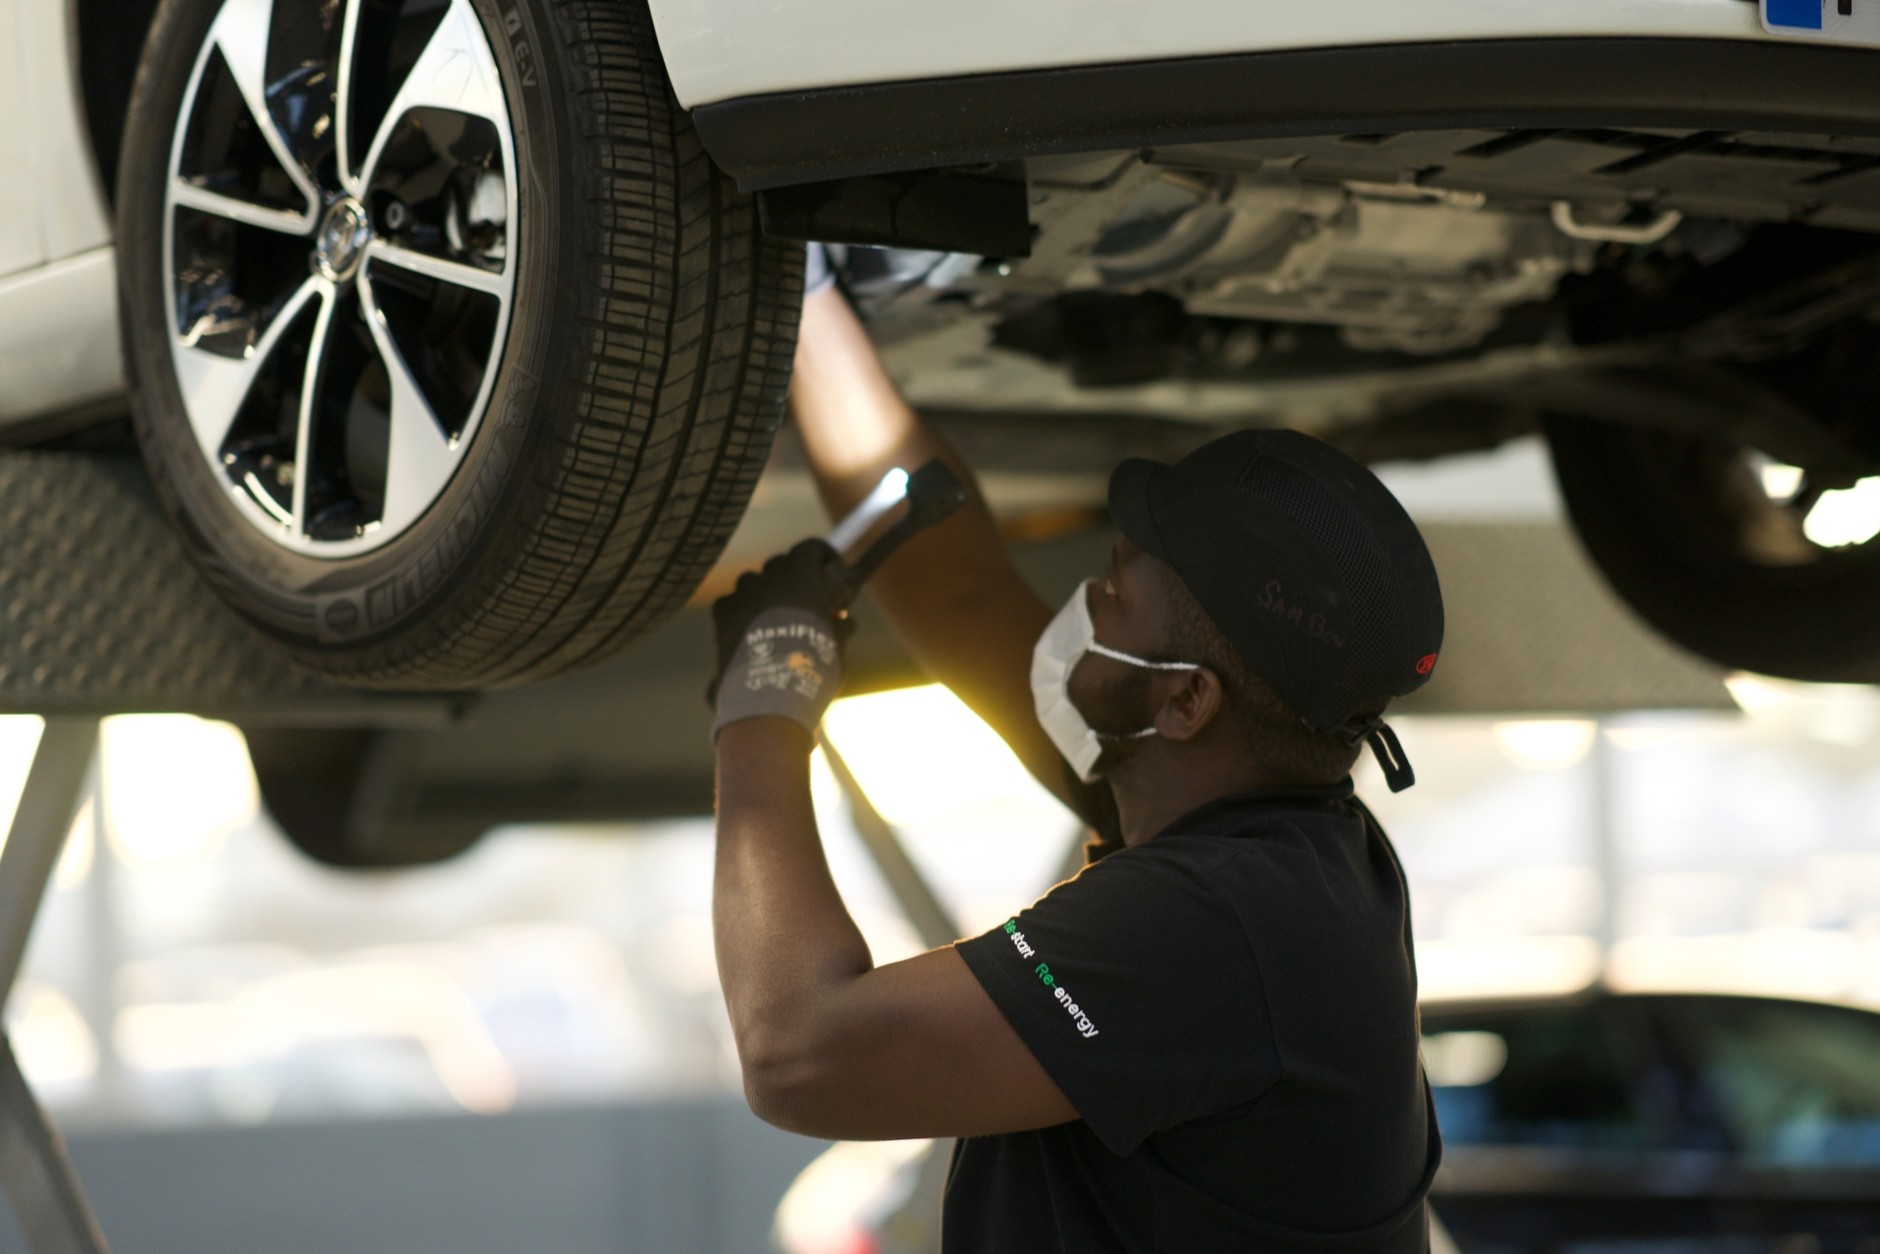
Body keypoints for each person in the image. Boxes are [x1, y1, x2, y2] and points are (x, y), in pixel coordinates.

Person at [706, 249, 1446, 1252]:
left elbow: (798, 1052)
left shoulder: (1222, 923)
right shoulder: (1265, 839)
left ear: (1186, 699)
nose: (1083, 603)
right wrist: (805, 295)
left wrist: (761, 707)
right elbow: (957, 588)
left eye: (1115, 591)